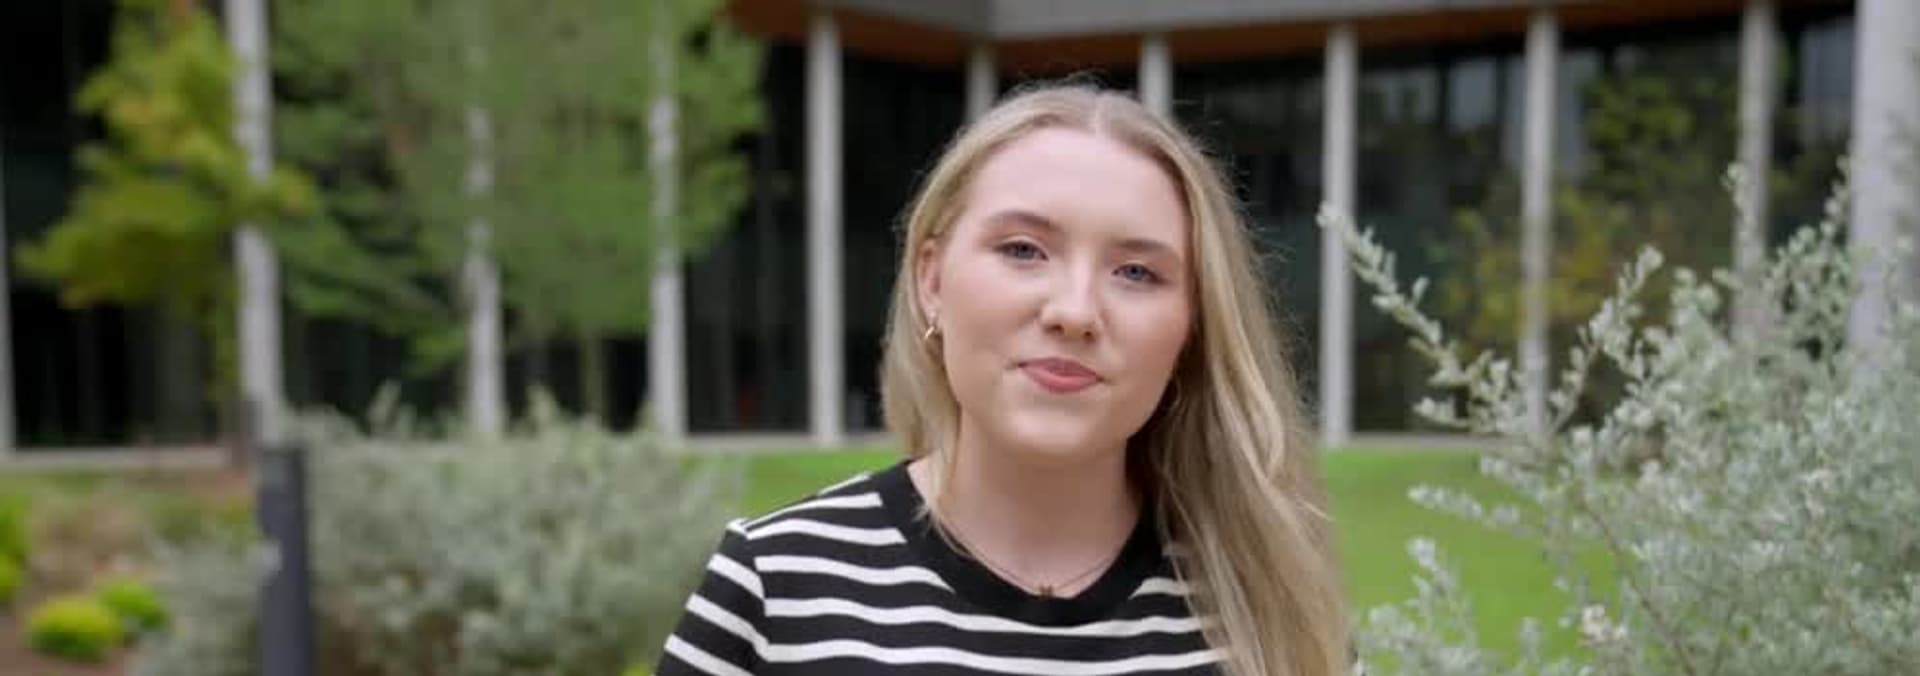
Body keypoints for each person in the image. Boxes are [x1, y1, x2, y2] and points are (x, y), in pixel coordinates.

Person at [655, 84, 1354, 676]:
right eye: (1023, 250)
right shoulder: (774, 590)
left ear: (1192, 326)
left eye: (1136, 272)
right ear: (932, 280)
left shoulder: (1271, 610)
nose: (1074, 311)